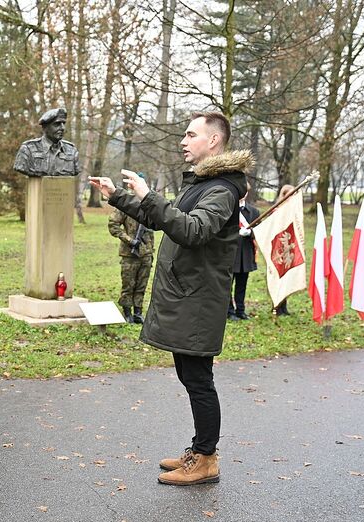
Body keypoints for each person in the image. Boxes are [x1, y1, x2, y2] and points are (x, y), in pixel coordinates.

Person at [89, 111, 253, 486]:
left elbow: (192, 230)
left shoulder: (222, 189)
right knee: (190, 374)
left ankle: (207, 458)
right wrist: (119, 197)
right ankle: (200, 448)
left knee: (198, 379)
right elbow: (168, 219)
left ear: (213, 141)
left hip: (198, 300)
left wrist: (150, 196)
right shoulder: (203, 183)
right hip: (188, 295)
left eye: (191, 134)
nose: (183, 140)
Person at [107, 185, 155, 324]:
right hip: (129, 254)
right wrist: (129, 240)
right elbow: (113, 225)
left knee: (142, 284)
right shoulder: (125, 205)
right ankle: (127, 312)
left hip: (146, 252)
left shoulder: (150, 204)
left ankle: (138, 313)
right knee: (128, 284)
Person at [228, 190, 260, 320]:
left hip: (246, 253)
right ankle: (229, 311)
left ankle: (240, 310)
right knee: (228, 285)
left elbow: (260, 231)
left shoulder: (254, 212)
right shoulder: (229, 209)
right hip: (231, 253)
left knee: (242, 284)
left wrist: (251, 232)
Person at [273, 184, 295, 317]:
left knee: (286, 276)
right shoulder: (277, 210)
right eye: (290, 194)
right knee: (278, 276)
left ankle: (284, 306)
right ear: (284, 195)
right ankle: (276, 305)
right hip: (279, 247)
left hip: (289, 247)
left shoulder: (293, 210)